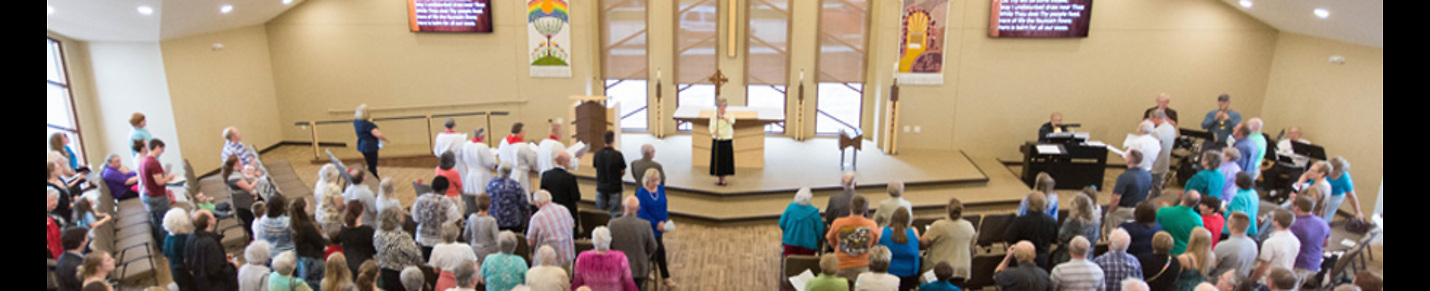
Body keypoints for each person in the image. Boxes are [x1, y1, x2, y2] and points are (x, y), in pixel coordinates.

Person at [637, 169, 677, 288]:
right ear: (647, 180)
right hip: (649, 227)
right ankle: (666, 276)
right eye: (653, 180)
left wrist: (663, 221)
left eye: (657, 179)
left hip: (660, 225)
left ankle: (649, 270)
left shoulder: (660, 189)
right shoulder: (641, 193)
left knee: (652, 250)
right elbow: (642, 213)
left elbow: (665, 205)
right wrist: (656, 224)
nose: (656, 182)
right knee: (659, 250)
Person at [608, 196, 659, 289]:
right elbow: (653, 247)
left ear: (623, 207)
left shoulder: (612, 224)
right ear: (638, 209)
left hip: (617, 268)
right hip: (638, 269)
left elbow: (608, 246)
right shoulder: (645, 225)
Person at [827, 195, 881, 281]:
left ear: (850, 207)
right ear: (865, 209)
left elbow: (831, 243)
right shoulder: (872, 225)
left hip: (840, 266)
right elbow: (874, 243)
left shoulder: (837, 223)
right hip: (863, 267)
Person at [920, 198, 976, 280]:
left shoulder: (938, 226)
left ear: (947, 210)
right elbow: (972, 250)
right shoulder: (969, 226)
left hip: (939, 271)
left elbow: (922, 243)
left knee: (923, 280)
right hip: (961, 271)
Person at [186, 210, 240, 291]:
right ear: (209, 221)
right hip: (217, 285)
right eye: (212, 216)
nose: (215, 217)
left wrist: (222, 257)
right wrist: (233, 266)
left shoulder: (191, 238)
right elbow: (217, 271)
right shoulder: (210, 243)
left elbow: (192, 262)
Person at [573, 227, 639, 291]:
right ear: (610, 240)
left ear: (593, 241)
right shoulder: (620, 258)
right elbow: (629, 284)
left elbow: (577, 284)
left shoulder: (582, 258)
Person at [375, 207, 425, 291]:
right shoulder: (402, 237)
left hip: (386, 273)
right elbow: (416, 255)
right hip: (405, 275)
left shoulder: (377, 235)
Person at [414, 177, 461, 259]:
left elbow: (416, 219)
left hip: (423, 239)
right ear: (444, 190)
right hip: (440, 241)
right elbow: (456, 220)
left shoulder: (420, 199)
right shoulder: (446, 201)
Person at [1008, 192, 1058, 268]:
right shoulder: (1052, 221)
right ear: (1044, 205)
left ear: (1028, 204)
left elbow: (1009, 238)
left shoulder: (1020, 221)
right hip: (1043, 261)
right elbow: (1055, 242)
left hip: (1022, 260)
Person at [1249, 210, 1299, 286]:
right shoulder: (1295, 240)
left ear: (1276, 222)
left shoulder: (1270, 242)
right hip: (1284, 279)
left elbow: (1263, 266)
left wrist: (1252, 280)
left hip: (1268, 281)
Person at [140, 139, 176, 242]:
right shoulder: (153, 162)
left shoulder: (144, 160)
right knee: (165, 222)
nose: (162, 153)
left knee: (156, 221)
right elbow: (159, 182)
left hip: (149, 194)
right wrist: (169, 177)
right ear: (157, 147)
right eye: (162, 150)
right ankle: (166, 243)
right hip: (157, 196)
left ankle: (160, 243)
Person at [527, 190, 576, 266]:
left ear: (538, 204)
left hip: (549, 262)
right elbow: (572, 225)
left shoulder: (537, 217)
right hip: (568, 257)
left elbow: (530, 242)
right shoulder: (564, 209)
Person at [1289, 196, 1331, 283]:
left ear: (1297, 208)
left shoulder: (1294, 225)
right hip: (1316, 264)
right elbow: (1326, 244)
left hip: (1299, 266)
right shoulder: (1322, 222)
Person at [290, 199, 329, 290]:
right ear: (304, 209)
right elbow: (318, 242)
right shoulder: (307, 226)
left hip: (302, 257)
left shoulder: (294, 223)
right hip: (313, 259)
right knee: (316, 283)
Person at [879, 208, 921, 291]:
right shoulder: (914, 232)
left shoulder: (882, 231)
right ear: (908, 220)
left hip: (888, 272)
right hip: (909, 275)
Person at [540, 151, 582, 233]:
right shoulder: (570, 178)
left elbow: (543, 193)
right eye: (568, 161)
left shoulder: (546, 175)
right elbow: (576, 197)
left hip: (550, 213)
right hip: (567, 213)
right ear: (563, 162)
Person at [1109, 150, 1152, 230]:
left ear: (1128, 160)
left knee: (1109, 215)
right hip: (1140, 208)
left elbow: (1116, 198)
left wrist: (1111, 210)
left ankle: (1111, 237)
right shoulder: (1147, 174)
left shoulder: (1124, 177)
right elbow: (1149, 193)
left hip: (1126, 209)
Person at [460, 129, 498, 215]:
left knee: (471, 196)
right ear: (482, 136)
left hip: (470, 173)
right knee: (482, 196)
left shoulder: (466, 144)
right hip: (481, 175)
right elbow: (490, 162)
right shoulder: (482, 146)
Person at [429, 223, 477, 291]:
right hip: (464, 282)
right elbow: (475, 267)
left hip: (444, 281)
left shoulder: (437, 248)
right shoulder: (466, 248)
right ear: (456, 233)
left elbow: (435, 270)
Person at [1212, 212, 1257, 283]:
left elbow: (1210, 268)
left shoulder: (1224, 246)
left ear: (1230, 225)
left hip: (1220, 284)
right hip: (1240, 284)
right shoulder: (1253, 244)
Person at [780, 188, 825, 257]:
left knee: (791, 263)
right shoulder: (814, 213)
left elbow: (781, 224)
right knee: (806, 265)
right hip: (808, 246)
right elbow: (820, 231)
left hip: (790, 243)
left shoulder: (790, 208)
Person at [593, 131, 628, 217]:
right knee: (615, 212)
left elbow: (596, 167)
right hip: (615, 187)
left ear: (603, 140)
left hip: (601, 186)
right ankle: (613, 229)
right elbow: (623, 171)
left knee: (600, 212)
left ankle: (601, 229)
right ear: (613, 140)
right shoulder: (618, 155)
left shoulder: (597, 154)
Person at [224, 157, 261, 241]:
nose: (241, 163)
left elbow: (246, 177)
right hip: (244, 205)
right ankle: (253, 238)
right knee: (250, 222)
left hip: (245, 200)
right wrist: (256, 179)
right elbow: (249, 187)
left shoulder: (236, 173)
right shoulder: (234, 178)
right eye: (239, 162)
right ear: (235, 164)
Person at [487, 163, 531, 232]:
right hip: (513, 223)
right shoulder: (515, 185)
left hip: (494, 221)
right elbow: (524, 205)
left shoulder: (491, 184)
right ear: (510, 172)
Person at [1059, 194, 1101, 265]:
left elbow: (1061, 236)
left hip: (1070, 258)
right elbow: (1097, 238)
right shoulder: (1096, 223)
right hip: (1089, 258)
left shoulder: (1072, 221)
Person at [163, 208, 197, 291]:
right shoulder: (185, 239)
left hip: (175, 271)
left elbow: (166, 257)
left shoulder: (168, 237)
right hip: (186, 272)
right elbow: (188, 259)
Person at [340, 202, 377, 276]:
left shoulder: (343, 230)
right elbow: (374, 249)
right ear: (362, 213)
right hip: (366, 265)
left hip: (349, 265)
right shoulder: (367, 230)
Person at [1324, 157, 1366, 222]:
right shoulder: (1324, 170)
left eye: (1335, 174)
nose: (1332, 175)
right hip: (1323, 191)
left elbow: (1351, 196)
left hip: (1335, 196)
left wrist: (1357, 212)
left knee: (1326, 215)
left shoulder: (1345, 178)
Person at [354, 104, 389, 179]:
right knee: (372, 166)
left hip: (362, 145)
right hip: (370, 146)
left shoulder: (357, 122)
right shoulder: (368, 125)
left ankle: (372, 178)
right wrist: (385, 139)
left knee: (369, 163)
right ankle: (375, 180)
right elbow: (377, 134)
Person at [465, 194, 500, 266]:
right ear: (489, 204)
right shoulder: (491, 221)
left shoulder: (472, 217)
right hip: (489, 252)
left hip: (474, 250)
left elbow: (466, 235)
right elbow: (497, 239)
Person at [1150, 110, 1178, 195]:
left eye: (1151, 118)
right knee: (1158, 186)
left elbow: (1152, 149)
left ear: (1156, 118)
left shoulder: (1156, 132)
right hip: (1165, 161)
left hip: (1156, 163)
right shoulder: (1171, 128)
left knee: (1153, 187)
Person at [710, 98, 737, 186]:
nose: (722, 108)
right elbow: (711, 126)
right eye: (720, 106)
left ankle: (724, 178)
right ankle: (718, 178)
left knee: (725, 159)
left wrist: (723, 118)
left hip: (727, 138)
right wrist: (714, 132)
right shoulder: (714, 115)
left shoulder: (730, 114)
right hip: (717, 139)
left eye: (724, 106)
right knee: (718, 159)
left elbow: (732, 122)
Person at [315, 165, 347, 235]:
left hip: (320, 214)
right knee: (334, 235)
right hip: (331, 218)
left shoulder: (319, 184)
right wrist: (346, 203)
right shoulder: (334, 188)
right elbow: (340, 206)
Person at [56, 227, 89, 291]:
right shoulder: (77, 265)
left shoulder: (62, 257)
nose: (88, 240)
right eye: (86, 238)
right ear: (81, 242)